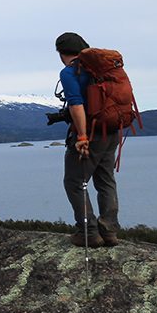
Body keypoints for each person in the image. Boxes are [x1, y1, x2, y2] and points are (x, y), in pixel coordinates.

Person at [55, 32, 120, 248]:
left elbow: (76, 104)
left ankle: (89, 232)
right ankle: (109, 231)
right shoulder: (105, 69)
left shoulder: (70, 72)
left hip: (91, 133)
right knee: (105, 180)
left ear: (61, 53)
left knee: (74, 182)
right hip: (112, 131)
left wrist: (81, 136)